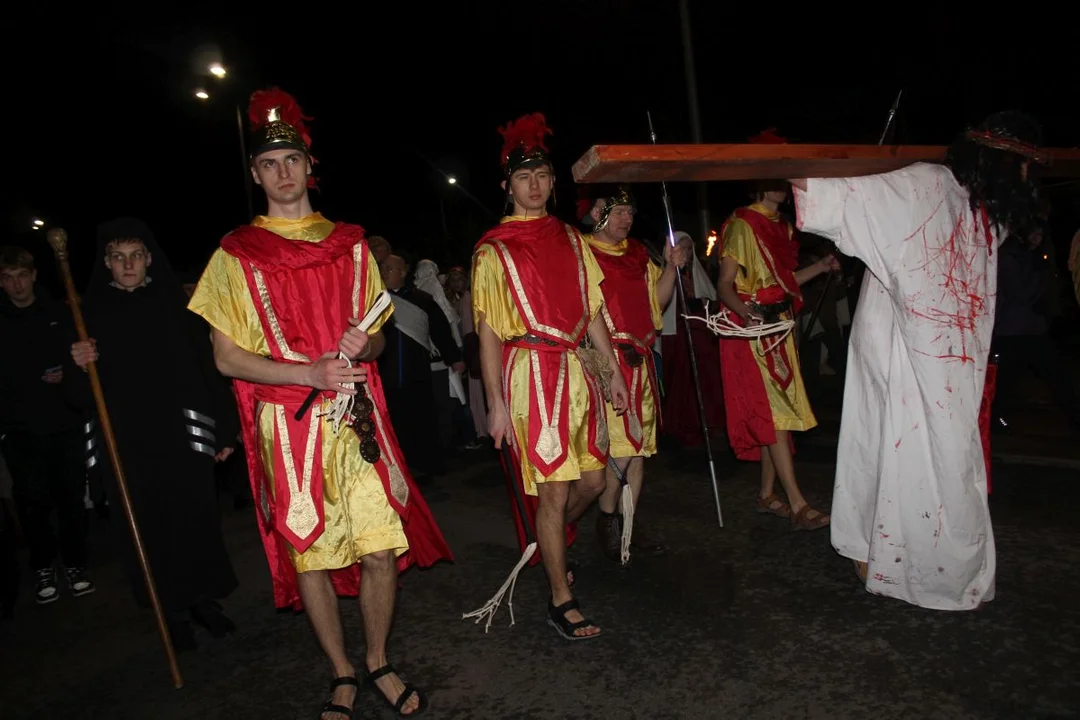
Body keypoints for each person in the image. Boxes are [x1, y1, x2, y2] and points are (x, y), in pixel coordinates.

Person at [188, 87, 451, 718]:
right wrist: (307, 371)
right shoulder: (234, 255)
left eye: (293, 161)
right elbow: (227, 358)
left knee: (380, 548)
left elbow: (381, 334)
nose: (283, 173)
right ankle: (340, 672)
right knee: (310, 551)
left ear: (310, 168)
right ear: (256, 175)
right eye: (269, 164)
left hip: (356, 418)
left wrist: (368, 341)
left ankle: (379, 659)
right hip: (290, 424)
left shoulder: (351, 243)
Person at [789, 110, 1045, 610]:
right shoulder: (926, 184)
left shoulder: (986, 210)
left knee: (939, 451)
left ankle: (900, 555)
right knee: (895, 442)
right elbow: (816, 189)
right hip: (899, 344)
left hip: (949, 354)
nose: (1025, 179)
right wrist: (858, 172)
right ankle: (886, 552)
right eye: (1021, 167)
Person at [470, 112, 628, 640]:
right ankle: (561, 599)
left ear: (553, 182)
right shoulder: (494, 248)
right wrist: (493, 403)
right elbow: (490, 332)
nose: (534, 186)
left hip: (578, 372)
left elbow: (594, 310)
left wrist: (613, 372)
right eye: (523, 178)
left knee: (595, 481)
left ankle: (553, 538)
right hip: (530, 377)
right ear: (506, 186)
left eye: (541, 176)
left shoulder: (570, 237)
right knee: (555, 493)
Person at [68, 217, 240, 650]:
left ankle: (202, 600)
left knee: (195, 518)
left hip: (182, 437)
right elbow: (77, 397)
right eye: (118, 257)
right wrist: (78, 363)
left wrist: (223, 431)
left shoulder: (177, 309)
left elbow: (209, 369)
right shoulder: (86, 315)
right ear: (106, 263)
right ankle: (172, 610)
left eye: (136, 256)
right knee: (146, 527)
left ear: (149, 260)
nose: (128, 264)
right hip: (127, 443)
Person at [716, 175, 838, 530]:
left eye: (782, 180)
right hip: (753, 331)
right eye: (770, 180)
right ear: (755, 184)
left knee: (778, 413)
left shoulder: (783, 228)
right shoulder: (741, 224)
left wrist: (820, 267)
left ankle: (768, 495)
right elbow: (725, 285)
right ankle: (798, 504)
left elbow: (784, 283)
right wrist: (746, 312)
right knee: (775, 413)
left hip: (781, 329)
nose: (779, 188)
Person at [578, 185, 684, 561]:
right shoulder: (583, 251)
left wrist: (671, 267)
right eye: (617, 211)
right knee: (621, 449)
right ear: (596, 214)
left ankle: (628, 524)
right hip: (609, 362)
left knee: (639, 451)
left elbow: (658, 301)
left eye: (629, 212)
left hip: (641, 358)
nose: (626, 219)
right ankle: (606, 519)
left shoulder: (639, 252)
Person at [0, 245, 93, 604]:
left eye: (22, 276)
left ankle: (76, 564)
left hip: (63, 422)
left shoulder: (58, 312)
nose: (17, 284)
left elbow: (78, 360)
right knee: (32, 502)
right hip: (20, 430)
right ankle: (43, 567)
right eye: (8, 279)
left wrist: (68, 372)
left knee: (71, 498)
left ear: (34, 275)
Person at [377, 254, 464, 480]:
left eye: (390, 268)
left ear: (403, 272)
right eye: (383, 268)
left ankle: (427, 465)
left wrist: (454, 357)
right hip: (386, 374)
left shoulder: (421, 299)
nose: (385, 272)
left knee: (423, 418)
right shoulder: (374, 299)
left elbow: (441, 330)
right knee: (394, 423)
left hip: (417, 371)